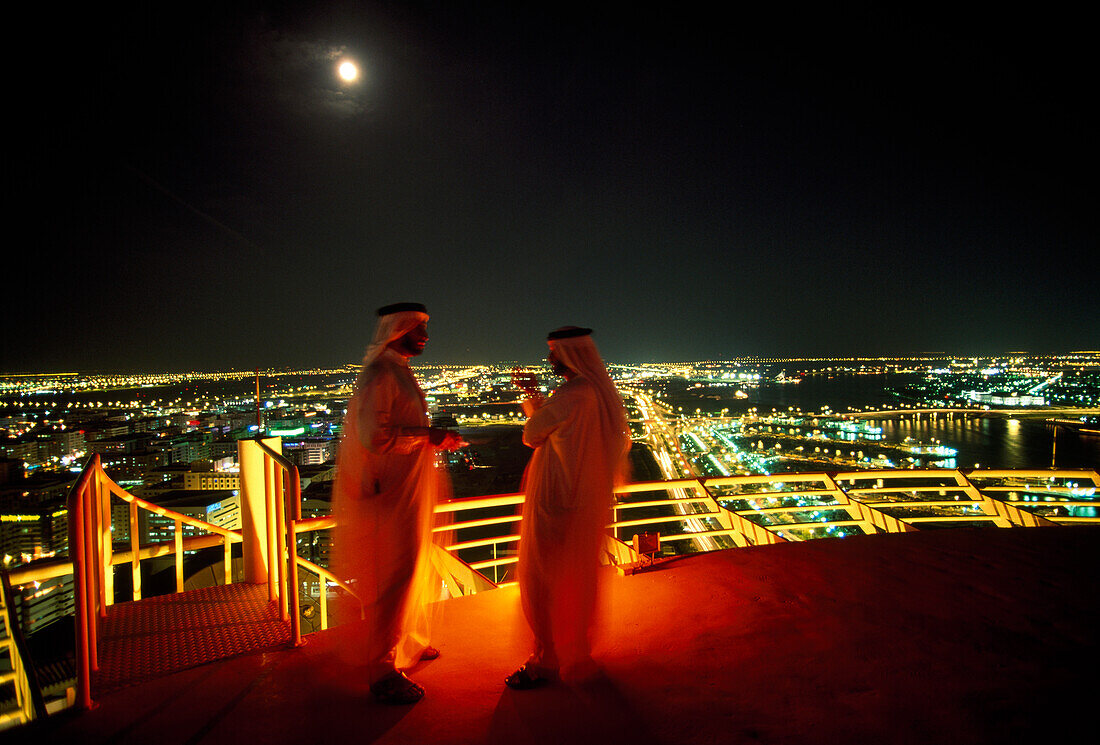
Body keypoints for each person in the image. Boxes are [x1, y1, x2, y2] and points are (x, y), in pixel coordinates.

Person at [332, 302, 465, 705]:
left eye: (426, 327)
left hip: (406, 489)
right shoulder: (381, 374)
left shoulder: (398, 371)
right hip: (389, 492)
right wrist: (429, 436)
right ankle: (383, 667)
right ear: (395, 330)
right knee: (394, 573)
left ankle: (406, 638)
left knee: (410, 566)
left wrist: (431, 436)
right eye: (416, 328)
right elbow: (376, 437)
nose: (424, 335)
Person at [506, 326, 630, 689]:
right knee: (574, 576)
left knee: (541, 577)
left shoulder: (572, 394)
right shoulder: (597, 393)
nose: (549, 359)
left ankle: (545, 660)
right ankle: (574, 647)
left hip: (557, 498)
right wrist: (534, 395)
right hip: (584, 499)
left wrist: (531, 397)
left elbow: (532, 435)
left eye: (554, 352)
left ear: (569, 354)